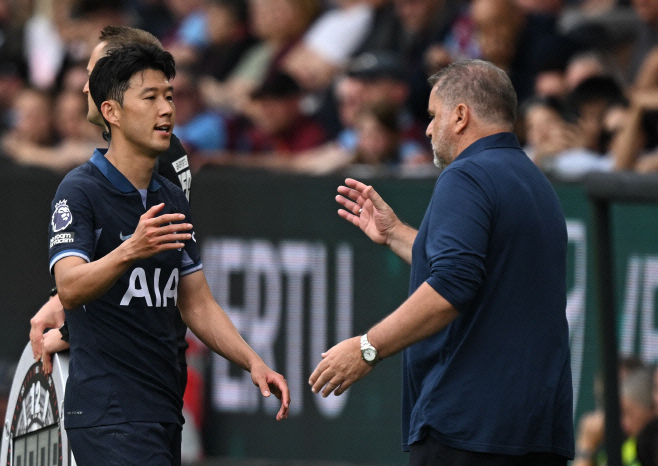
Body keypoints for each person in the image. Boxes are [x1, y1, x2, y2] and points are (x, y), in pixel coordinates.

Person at [309, 59, 574, 465]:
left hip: (468, 430)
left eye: (433, 116)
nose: (429, 128)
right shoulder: (536, 182)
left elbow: (452, 285)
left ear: (461, 116)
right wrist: (396, 232)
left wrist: (366, 348)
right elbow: (483, 272)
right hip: (536, 432)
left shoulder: (466, 175)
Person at [48, 42, 289, 466]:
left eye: (169, 96)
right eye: (150, 97)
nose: (166, 110)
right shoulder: (79, 190)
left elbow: (195, 300)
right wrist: (130, 250)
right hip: (109, 412)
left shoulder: (171, 197)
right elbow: (69, 287)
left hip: (161, 408)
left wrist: (252, 361)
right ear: (112, 112)